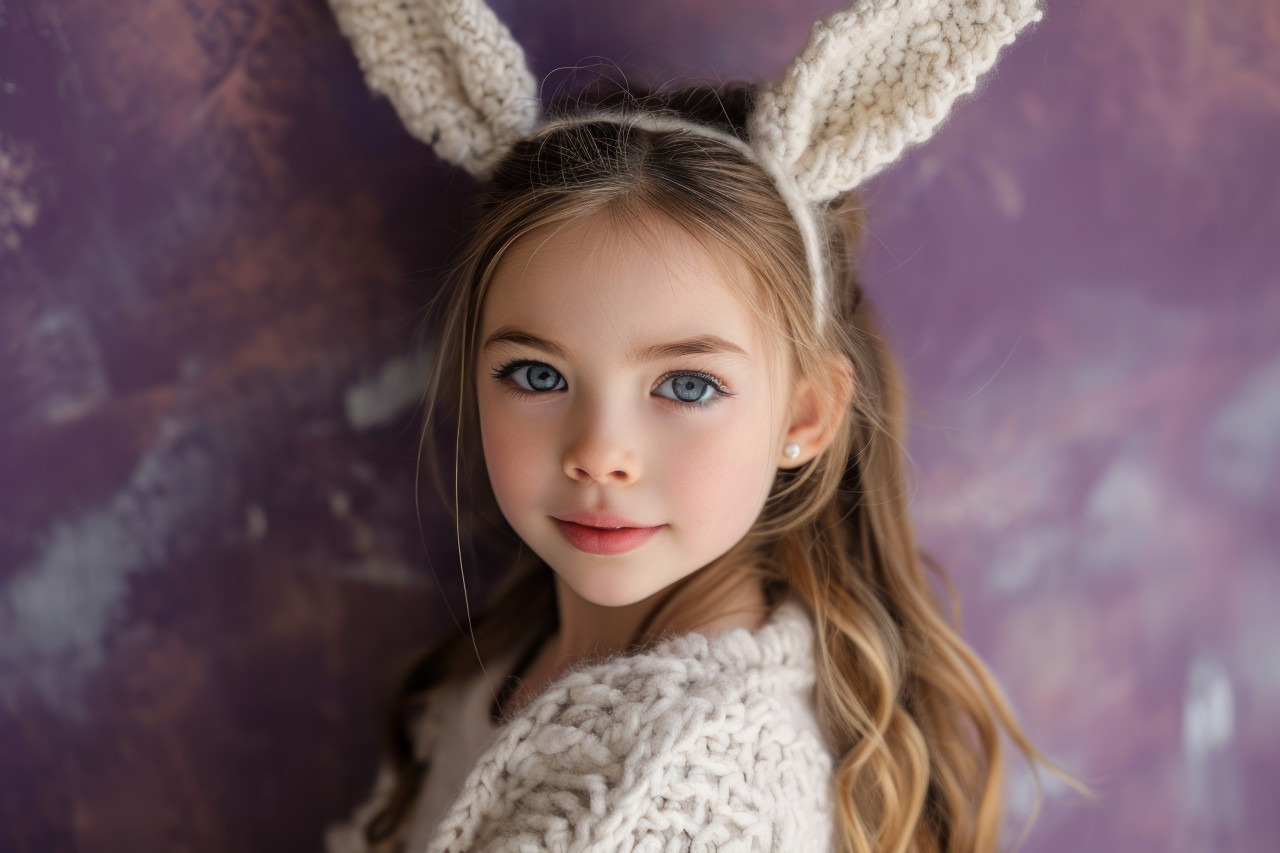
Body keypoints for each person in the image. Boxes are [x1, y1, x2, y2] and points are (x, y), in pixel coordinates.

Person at [322, 1, 1089, 850]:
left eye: (686, 384)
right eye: (537, 375)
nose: (598, 454)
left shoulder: (672, 800)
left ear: (805, 414)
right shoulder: (514, 668)